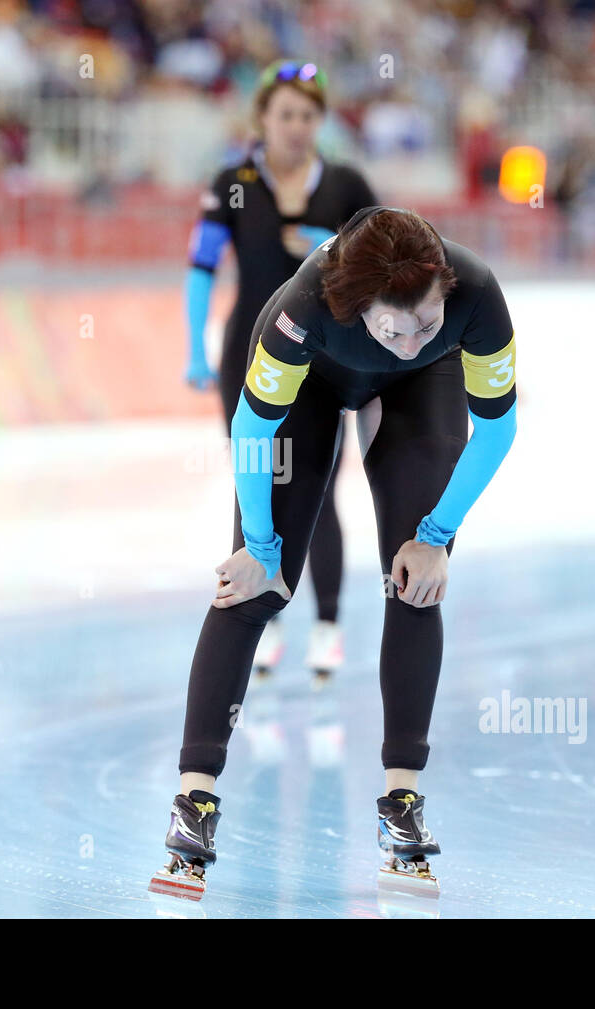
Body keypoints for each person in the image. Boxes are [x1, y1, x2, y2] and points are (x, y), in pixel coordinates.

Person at [154, 206, 518, 895]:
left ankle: (402, 802)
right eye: (392, 327)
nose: (409, 340)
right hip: (315, 382)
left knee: (414, 581)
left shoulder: (475, 292)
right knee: (253, 586)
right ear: (355, 306)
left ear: (446, 289)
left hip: (421, 397)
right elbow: (252, 430)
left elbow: (497, 431)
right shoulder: (301, 310)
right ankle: (193, 800)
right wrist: (260, 546)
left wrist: (436, 538)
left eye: (427, 324)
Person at [184, 60, 377, 685]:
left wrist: (334, 242)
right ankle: (265, 619)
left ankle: (327, 624)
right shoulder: (233, 182)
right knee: (253, 485)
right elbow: (202, 266)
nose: (297, 126)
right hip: (247, 354)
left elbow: (388, 261)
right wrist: (193, 345)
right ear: (262, 118)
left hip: (326, 357)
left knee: (319, 490)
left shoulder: (346, 184)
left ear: (321, 122)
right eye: (285, 114)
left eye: (308, 116)